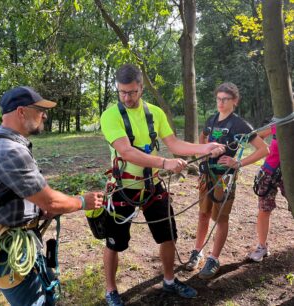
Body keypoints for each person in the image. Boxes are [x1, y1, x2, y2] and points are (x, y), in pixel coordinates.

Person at [100, 64, 226, 306]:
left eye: (132, 92)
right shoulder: (110, 115)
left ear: (141, 88)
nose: (127, 97)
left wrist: (205, 148)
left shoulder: (155, 113)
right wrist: (164, 162)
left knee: (168, 236)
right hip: (123, 188)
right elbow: (126, 152)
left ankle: (169, 280)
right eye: (122, 92)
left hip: (153, 186)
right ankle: (111, 290)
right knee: (114, 243)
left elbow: (175, 144)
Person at [0, 86, 104, 306]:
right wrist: (82, 201)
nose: (45, 115)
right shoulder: (10, 150)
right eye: (39, 109)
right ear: (21, 112)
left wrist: (35, 209)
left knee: (48, 295)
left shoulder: (1, 144)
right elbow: (50, 200)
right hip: (10, 253)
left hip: (17, 245)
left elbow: (11, 192)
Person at [186, 82, 269, 280]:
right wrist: (204, 151)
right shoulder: (212, 119)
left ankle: (214, 258)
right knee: (203, 214)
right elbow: (203, 136)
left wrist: (238, 162)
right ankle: (198, 251)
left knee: (220, 218)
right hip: (207, 176)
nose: (221, 103)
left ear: (235, 101)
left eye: (225, 99)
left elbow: (263, 149)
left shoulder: (240, 124)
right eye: (218, 99)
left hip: (224, 179)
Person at [248, 124, 287, 262]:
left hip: (290, 175)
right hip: (269, 172)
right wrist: (265, 149)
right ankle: (262, 247)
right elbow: (258, 136)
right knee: (264, 210)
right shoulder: (279, 123)